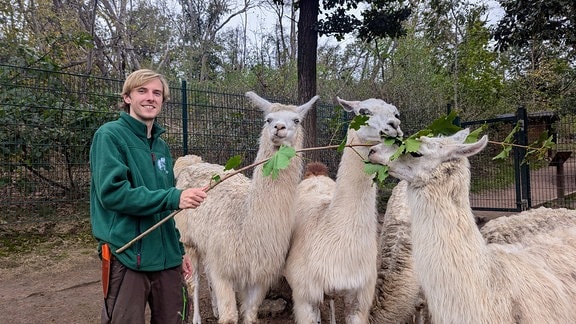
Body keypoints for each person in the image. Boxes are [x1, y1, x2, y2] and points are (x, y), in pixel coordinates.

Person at [90, 69, 207, 323]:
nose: (150, 98)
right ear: (127, 97)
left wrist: (178, 250)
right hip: (127, 254)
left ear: (163, 101)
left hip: (166, 259)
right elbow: (114, 194)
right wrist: (174, 197)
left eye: (157, 93)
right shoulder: (109, 136)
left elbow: (165, 209)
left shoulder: (161, 146)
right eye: (142, 91)